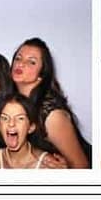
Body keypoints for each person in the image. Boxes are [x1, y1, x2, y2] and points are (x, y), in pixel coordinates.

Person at [11, 38, 90, 168]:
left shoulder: (52, 115)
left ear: (41, 74)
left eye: (31, 62)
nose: (20, 64)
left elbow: (82, 165)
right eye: (18, 58)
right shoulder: (12, 102)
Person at [0, 93, 53, 169]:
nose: (11, 123)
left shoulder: (47, 164)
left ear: (31, 127)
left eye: (20, 118)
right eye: (5, 118)